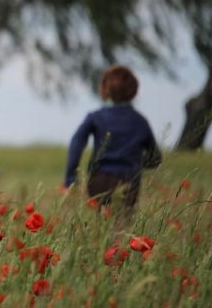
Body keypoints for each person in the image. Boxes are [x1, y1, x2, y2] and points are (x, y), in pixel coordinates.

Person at [63, 65, 162, 212]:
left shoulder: (95, 117)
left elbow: (76, 144)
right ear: (133, 91)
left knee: (100, 223)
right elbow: (155, 158)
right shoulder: (140, 121)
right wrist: (135, 164)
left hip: (99, 180)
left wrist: (71, 177)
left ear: (104, 89)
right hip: (129, 182)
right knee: (123, 225)